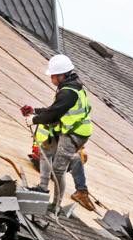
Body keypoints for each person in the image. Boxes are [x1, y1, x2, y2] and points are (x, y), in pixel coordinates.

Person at [21, 54, 94, 210]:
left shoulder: (69, 93)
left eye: (53, 75)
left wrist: (34, 120)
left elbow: (53, 115)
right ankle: (42, 188)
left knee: (58, 170)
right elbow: (55, 109)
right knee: (45, 151)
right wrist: (35, 111)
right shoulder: (68, 87)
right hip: (67, 128)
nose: (51, 78)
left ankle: (56, 206)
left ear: (62, 75)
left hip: (75, 134)